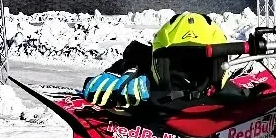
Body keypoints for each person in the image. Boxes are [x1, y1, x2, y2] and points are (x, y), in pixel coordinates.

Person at [82, 12, 231, 108]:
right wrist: (118, 89)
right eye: (181, 61)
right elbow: (94, 85)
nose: (189, 69)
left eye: (199, 61)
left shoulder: (233, 97)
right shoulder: (143, 70)